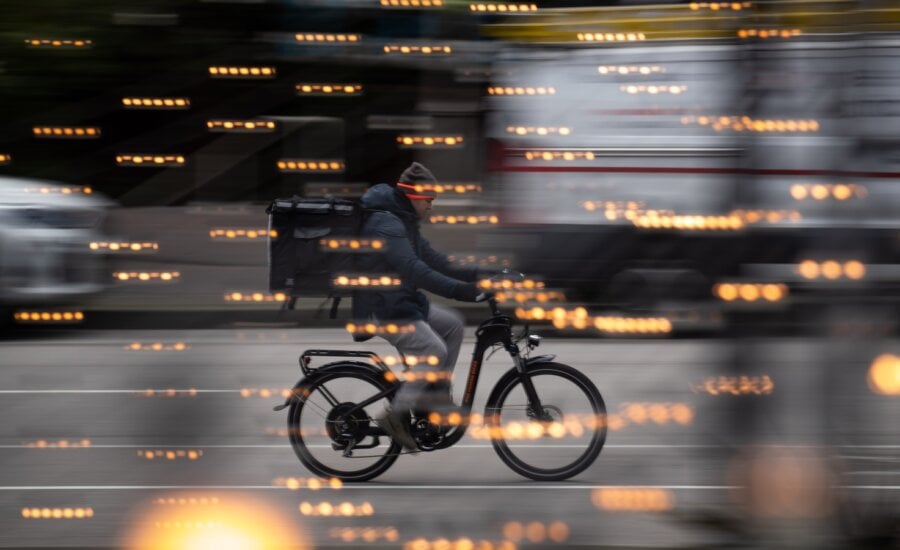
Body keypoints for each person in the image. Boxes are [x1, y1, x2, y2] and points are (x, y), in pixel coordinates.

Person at [352, 162, 483, 451]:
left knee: (452, 325)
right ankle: (394, 416)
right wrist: (462, 291)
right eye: (429, 200)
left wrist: (481, 274)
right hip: (382, 309)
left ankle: (434, 400)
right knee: (433, 351)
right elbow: (415, 270)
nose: (431, 207)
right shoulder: (387, 224)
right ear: (413, 195)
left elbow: (437, 261)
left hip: (400, 303)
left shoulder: (404, 221)